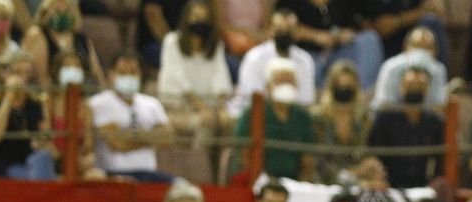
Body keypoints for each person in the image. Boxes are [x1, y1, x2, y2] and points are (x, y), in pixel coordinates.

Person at [90, 52, 177, 181]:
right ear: (111, 75)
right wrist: (151, 137)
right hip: (114, 173)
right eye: (122, 73)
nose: (128, 77)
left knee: (183, 188)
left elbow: (167, 137)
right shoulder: (99, 103)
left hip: (149, 173)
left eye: (133, 73)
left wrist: (129, 135)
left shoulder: (152, 103)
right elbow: (117, 143)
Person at [157, 0, 233, 139]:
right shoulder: (172, 42)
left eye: (205, 19)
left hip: (209, 104)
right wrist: (202, 108)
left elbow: (220, 76)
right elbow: (178, 79)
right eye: (196, 18)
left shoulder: (215, 45)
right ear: (186, 19)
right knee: (205, 122)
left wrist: (222, 108)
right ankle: (198, 161)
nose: (200, 23)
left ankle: (224, 160)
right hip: (178, 105)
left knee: (228, 121)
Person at [0, 50, 56, 179]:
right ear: (3, 73)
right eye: (18, 73)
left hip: (30, 162)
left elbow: (47, 141)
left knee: (43, 157)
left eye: (27, 74)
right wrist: (9, 96)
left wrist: (42, 144)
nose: (23, 79)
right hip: (2, 166)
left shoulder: (36, 102)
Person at [366, 65, 446, 188]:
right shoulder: (385, 119)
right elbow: (373, 154)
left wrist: (434, 184)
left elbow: (441, 161)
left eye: (420, 86)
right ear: (401, 87)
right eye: (410, 85)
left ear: (427, 89)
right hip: (386, 185)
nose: (415, 89)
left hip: (422, 187)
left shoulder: (434, 122)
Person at [277, 0, 382, 90]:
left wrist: (346, 34)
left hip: (338, 53)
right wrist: (316, 36)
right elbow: (281, 26)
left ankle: (359, 96)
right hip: (308, 55)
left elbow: (364, 22)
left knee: (370, 39)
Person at [230, 11, 318, 117]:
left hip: (290, 116)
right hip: (250, 113)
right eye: (280, 29)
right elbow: (253, 97)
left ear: (296, 32)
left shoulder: (305, 60)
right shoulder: (255, 57)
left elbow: (305, 100)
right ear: (271, 30)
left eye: (289, 30)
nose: (284, 34)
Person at [47, 48, 104, 179]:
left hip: (78, 160)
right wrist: (61, 158)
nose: (73, 69)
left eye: (77, 66)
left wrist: (81, 160)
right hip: (54, 160)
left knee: (97, 177)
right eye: (67, 66)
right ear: (58, 72)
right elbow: (45, 137)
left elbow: (88, 143)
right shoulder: (48, 101)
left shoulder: (86, 106)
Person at [21, 0, 105, 87]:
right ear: (45, 14)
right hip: (53, 92)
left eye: (66, 11)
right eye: (57, 10)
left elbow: (97, 73)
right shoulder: (38, 35)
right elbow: (41, 78)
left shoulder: (81, 38)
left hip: (84, 90)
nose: (63, 14)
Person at [311, 59, 370, 181]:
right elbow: (317, 158)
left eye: (349, 86)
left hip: (358, 178)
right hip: (323, 179)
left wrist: (360, 171)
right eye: (340, 85)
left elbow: (365, 152)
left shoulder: (363, 118)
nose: (344, 89)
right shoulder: (318, 117)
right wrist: (342, 176)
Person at [372, 25, 448, 112]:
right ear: (406, 47)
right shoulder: (390, 67)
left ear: (435, 51)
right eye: (417, 46)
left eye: (427, 47)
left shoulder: (439, 70)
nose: (421, 52)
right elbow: (382, 105)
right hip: (391, 121)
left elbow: (439, 107)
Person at [357, 0, 450, 67]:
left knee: (431, 22)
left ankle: (436, 81)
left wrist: (398, 21)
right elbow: (357, 18)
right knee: (369, 39)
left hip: (413, 40)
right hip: (381, 44)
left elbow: (438, 11)